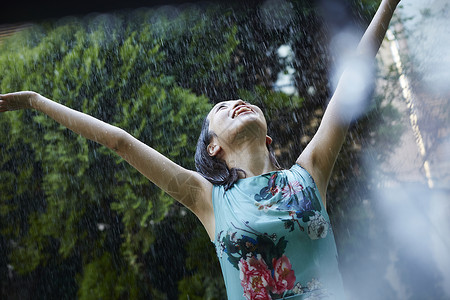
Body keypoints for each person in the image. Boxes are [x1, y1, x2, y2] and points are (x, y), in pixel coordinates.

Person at [0, 0, 400, 298]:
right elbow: (119, 142)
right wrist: (37, 101)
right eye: (222, 109)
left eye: (241, 103)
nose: (236, 103)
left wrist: (388, 3)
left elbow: (352, 79)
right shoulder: (208, 198)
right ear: (213, 148)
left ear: (267, 137)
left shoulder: (308, 173)